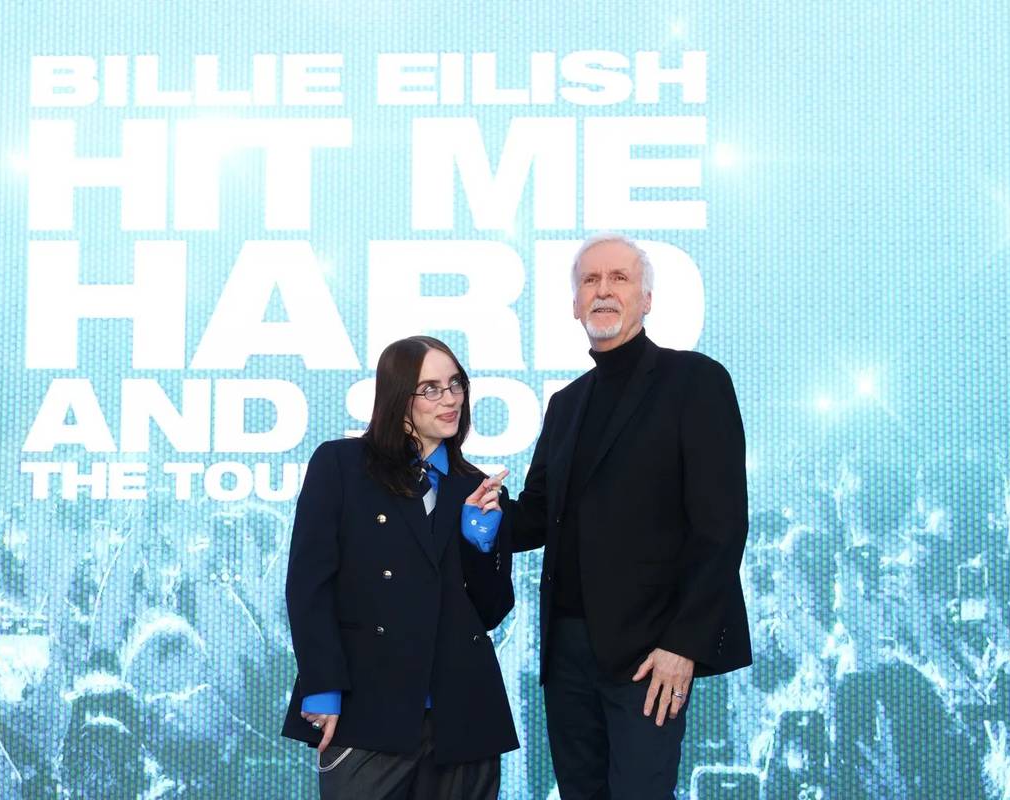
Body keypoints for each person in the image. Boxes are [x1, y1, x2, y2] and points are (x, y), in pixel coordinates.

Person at [505, 233, 752, 798]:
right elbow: (536, 518)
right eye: (590, 280)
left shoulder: (696, 380)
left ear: (647, 299)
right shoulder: (566, 405)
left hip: (651, 652)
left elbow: (721, 527)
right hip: (566, 655)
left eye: (619, 278)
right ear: (574, 304)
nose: (603, 290)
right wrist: (475, 510)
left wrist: (683, 645)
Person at [282, 335, 518, 799]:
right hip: (367, 707)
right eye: (431, 389)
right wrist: (322, 686)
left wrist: (480, 544)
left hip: (462, 716)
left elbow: (490, 611)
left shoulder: (479, 489)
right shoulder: (341, 465)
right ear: (397, 398)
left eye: (456, 384)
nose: (450, 399)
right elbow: (309, 585)